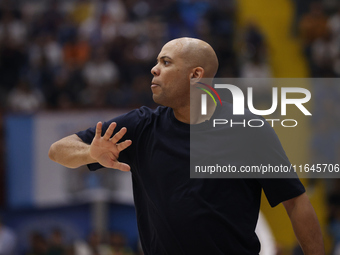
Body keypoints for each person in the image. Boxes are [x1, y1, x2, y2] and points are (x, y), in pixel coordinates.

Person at [49, 37, 324, 254]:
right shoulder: (141, 126)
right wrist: (88, 152)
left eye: (166, 62)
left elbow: (296, 202)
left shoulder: (248, 130)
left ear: (195, 75)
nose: (153, 69)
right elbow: (58, 150)